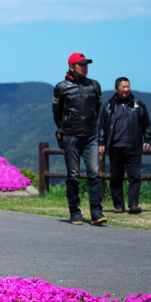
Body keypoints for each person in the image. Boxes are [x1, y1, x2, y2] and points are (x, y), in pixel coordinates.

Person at [52, 53, 106, 225]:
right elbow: (57, 112)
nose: (85, 67)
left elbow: (98, 108)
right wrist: (63, 130)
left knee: (94, 174)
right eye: (81, 64)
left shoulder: (94, 85)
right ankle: (75, 212)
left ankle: (96, 211)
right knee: (73, 175)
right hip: (71, 137)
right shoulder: (61, 87)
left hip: (91, 135)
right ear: (71, 66)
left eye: (86, 64)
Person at [98, 77, 151, 214]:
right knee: (116, 177)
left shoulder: (138, 104)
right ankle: (119, 205)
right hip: (115, 146)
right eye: (123, 87)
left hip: (134, 145)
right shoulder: (109, 106)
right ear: (116, 88)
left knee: (134, 176)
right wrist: (101, 142)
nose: (126, 89)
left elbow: (146, 124)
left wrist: (147, 139)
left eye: (128, 86)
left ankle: (133, 204)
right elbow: (102, 126)